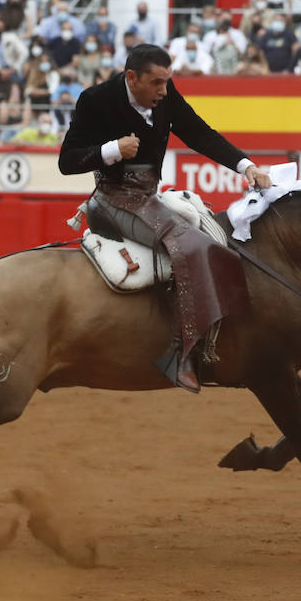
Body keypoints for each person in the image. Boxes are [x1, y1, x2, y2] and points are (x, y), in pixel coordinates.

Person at [57, 44, 272, 392]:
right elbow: (67, 161)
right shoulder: (95, 100)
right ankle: (180, 354)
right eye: (156, 83)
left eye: (166, 82)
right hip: (112, 201)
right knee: (192, 248)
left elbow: (200, 134)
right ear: (132, 77)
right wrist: (111, 150)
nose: (163, 90)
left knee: (211, 234)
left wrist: (246, 166)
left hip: (147, 198)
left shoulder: (165, 96)